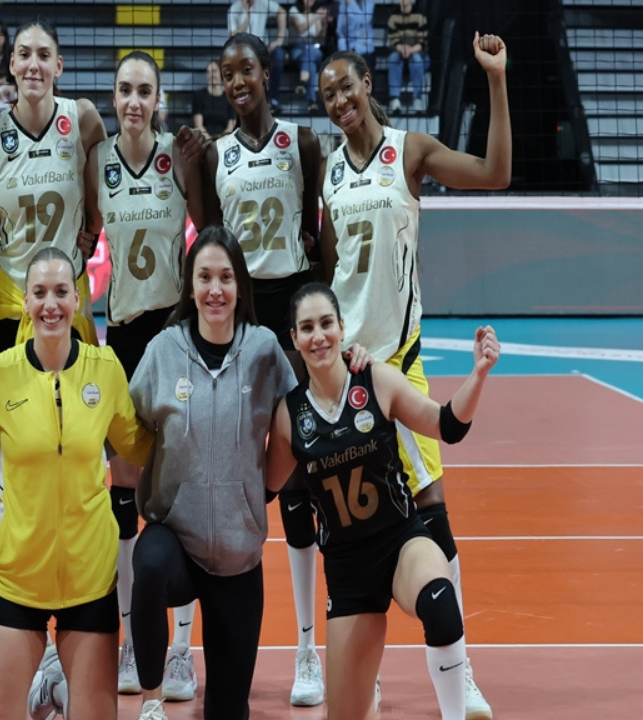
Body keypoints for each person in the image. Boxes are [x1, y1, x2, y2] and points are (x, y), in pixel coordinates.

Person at [317, 35, 511, 720]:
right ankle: (362, 672)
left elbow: (495, 172)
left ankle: (462, 669)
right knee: (351, 525)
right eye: (327, 94)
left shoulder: (410, 151)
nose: (339, 100)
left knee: (433, 513)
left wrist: (495, 80)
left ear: (367, 82)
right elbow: (335, 273)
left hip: (397, 366)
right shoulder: (329, 174)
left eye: (346, 86)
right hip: (346, 375)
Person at [267, 283, 500, 720]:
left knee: (440, 603)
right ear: (294, 339)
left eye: (326, 323)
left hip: (401, 544)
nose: (319, 336)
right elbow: (264, 488)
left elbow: (447, 425)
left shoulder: (376, 380)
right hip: (347, 575)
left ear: (342, 328)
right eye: (307, 328)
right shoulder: (289, 415)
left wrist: (479, 373)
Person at [0, 246, 152, 720]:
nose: (51, 304)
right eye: (40, 293)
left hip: (90, 577)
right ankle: (47, 684)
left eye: (62, 292)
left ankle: (55, 687)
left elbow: (137, 446)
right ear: (25, 302)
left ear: (78, 299)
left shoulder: (104, 368)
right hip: (19, 577)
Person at [199, 30, 332, 710]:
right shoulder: (212, 154)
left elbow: (314, 236)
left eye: (246, 68)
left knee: (304, 481)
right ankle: (187, 648)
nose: (237, 81)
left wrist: (322, 323)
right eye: (227, 73)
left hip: (292, 313)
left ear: (267, 71)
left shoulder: (301, 144)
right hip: (242, 319)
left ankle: (309, 648)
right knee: (229, 469)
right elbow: (210, 247)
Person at [122, 227, 296, 720]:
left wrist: (262, 492)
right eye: (204, 278)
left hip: (239, 555)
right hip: (175, 538)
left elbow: (297, 418)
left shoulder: (264, 350)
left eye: (225, 277)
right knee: (148, 564)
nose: (215, 289)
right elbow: (126, 426)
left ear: (240, 286)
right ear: (190, 285)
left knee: (228, 709)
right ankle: (152, 702)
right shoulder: (164, 351)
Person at [82, 50, 204, 705]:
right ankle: (134, 638)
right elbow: (83, 231)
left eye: (144, 91)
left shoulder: (176, 157)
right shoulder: (98, 159)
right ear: (113, 96)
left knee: (180, 488)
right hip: (124, 335)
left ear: (158, 99)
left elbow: (209, 229)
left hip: (174, 334)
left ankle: (182, 649)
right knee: (124, 490)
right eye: (125, 90)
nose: (134, 101)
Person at [0, 17, 107, 353]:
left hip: (65, 297)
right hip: (9, 299)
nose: (34, 65)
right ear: (12, 64)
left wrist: (91, 234)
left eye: (44, 55)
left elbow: (106, 194)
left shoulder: (83, 119)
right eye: (25, 54)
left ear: (58, 66)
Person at [270, 0, 329, 113]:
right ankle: (312, 101)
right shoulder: (294, 11)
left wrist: (324, 25)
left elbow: (320, 39)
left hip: (313, 49)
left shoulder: (315, 15)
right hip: (297, 49)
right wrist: (316, 17)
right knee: (310, 62)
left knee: (310, 51)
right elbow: (300, 29)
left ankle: (302, 81)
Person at [386, 0, 429, 115]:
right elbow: (393, 40)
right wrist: (402, 48)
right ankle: (395, 99)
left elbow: (423, 42)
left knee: (417, 59)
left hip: (417, 52)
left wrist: (410, 50)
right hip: (399, 52)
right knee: (393, 58)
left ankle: (417, 98)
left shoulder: (420, 17)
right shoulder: (393, 18)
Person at [192, 61, 234, 138]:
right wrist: (210, 142)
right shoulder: (199, 96)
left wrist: (220, 141)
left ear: (222, 74)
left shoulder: (230, 97)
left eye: (214, 71)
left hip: (225, 141)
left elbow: (230, 127)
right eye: (208, 72)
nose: (211, 75)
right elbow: (198, 126)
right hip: (204, 141)